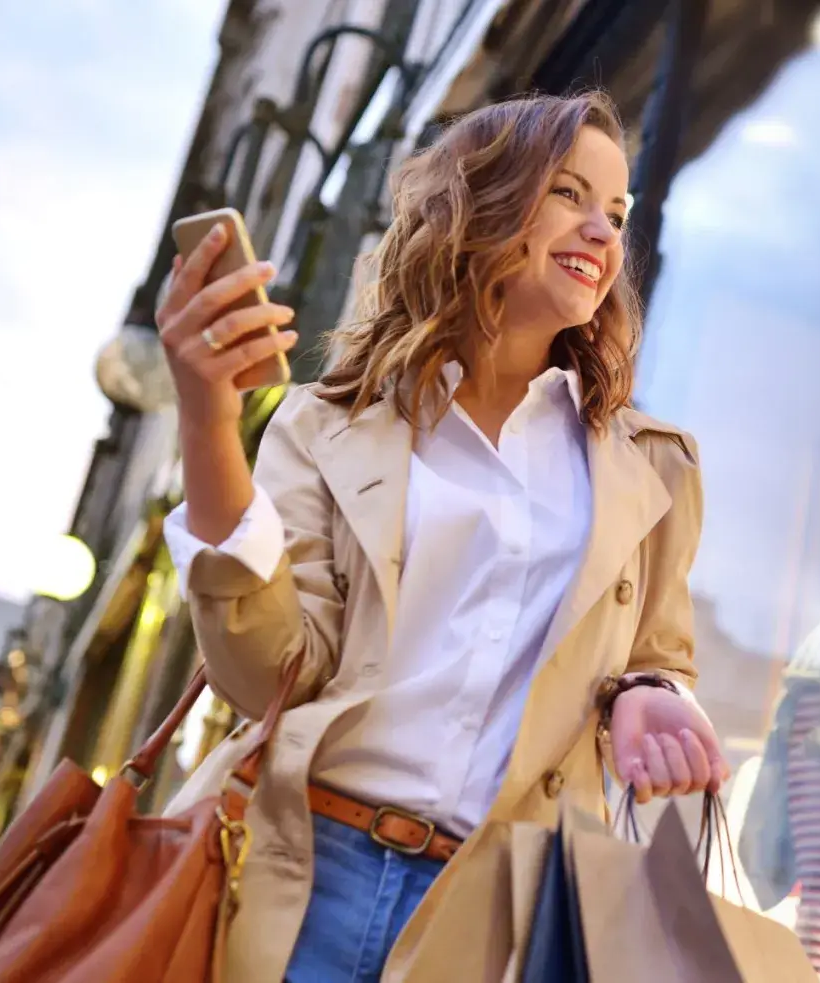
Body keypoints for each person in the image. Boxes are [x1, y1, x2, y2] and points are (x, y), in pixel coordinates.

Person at [153, 91, 727, 983]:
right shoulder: (327, 426)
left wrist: (645, 695)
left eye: (617, 214)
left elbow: (657, 658)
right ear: (480, 202)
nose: (603, 234)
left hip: (495, 910)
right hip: (298, 869)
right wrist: (205, 425)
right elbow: (268, 673)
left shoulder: (653, 471)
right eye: (568, 194)